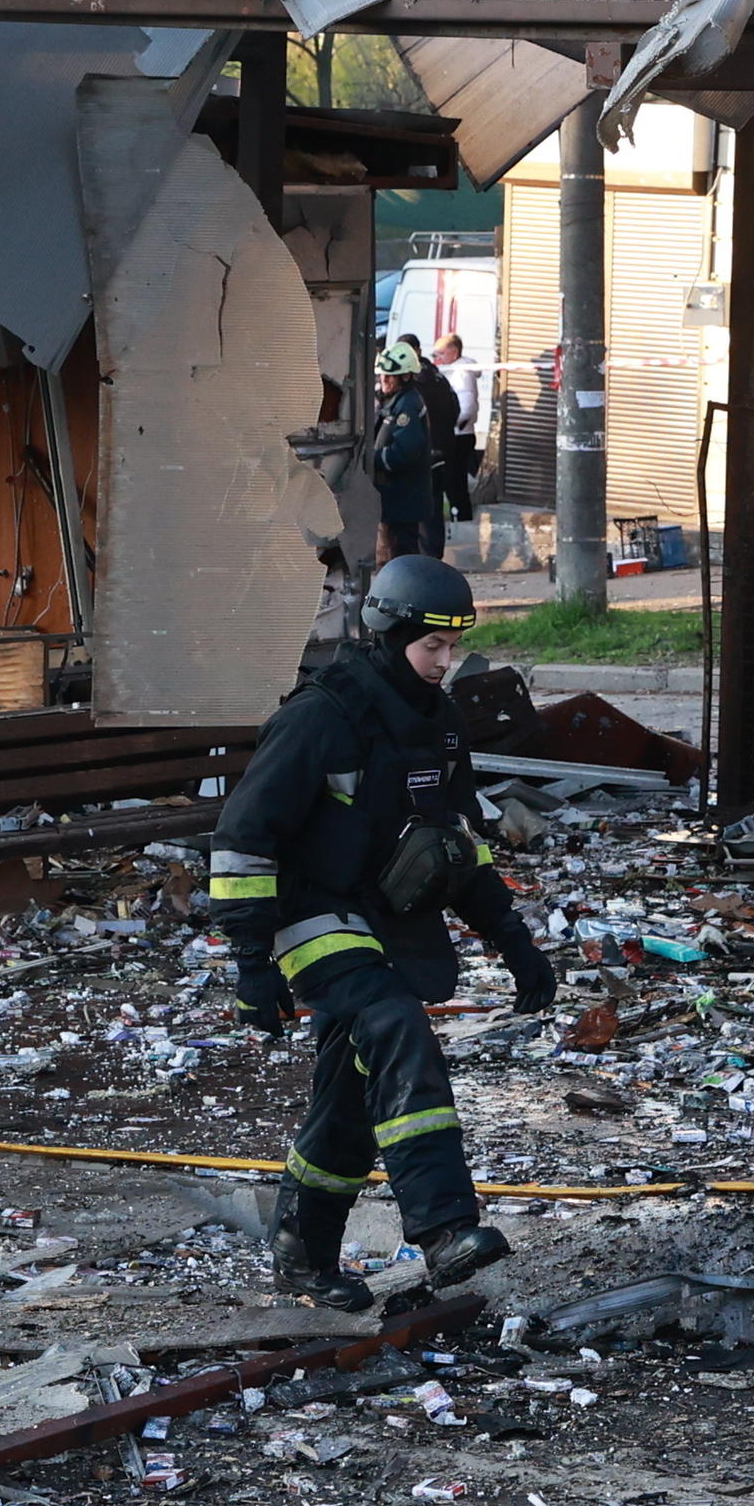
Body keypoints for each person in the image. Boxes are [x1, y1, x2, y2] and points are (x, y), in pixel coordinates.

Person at [205, 552, 557, 1309]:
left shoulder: (440, 727)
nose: (444, 663)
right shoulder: (321, 716)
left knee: (352, 1091)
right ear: (390, 633)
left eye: (451, 647)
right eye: (432, 647)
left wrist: (517, 944)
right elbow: (242, 837)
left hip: (387, 922)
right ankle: (442, 1230)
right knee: (396, 1029)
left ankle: (301, 1251)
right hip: (308, 913)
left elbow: (458, 850)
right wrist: (249, 962)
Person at [365, 333, 463, 563]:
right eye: (382, 374)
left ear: (406, 376)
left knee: (399, 561)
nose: (384, 379)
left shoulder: (408, 406)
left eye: (391, 375)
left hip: (402, 501)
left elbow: (403, 453)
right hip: (392, 501)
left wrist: (370, 458)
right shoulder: (394, 400)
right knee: (387, 560)